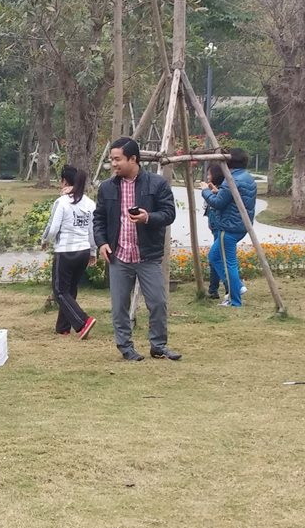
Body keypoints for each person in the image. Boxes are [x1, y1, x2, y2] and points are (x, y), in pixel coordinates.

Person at [92, 137, 180, 361]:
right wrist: (102, 242)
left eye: (118, 159)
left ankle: (158, 346)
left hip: (147, 255)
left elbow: (169, 213)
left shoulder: (157, 184)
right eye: (112, 159)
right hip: (119, 256)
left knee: (158, 302)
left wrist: (147, 217)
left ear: (133, 159)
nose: (114, 164)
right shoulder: (107, 187)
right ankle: (126, 347)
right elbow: (99, 218)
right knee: (119, 306)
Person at [42, 164, 97, 339]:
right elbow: (92, 230)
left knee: (59, 291)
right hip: (83, 251)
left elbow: (53, 228)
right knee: (70, 290)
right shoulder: (90, 203)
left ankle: (83, 321)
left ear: (64, 181)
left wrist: (45, 240)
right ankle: (63, 327)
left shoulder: (62, 202)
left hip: (66, 251)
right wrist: (93, 252)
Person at [201, 148, 258, 308]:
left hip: (229, 226)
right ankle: (236, 288)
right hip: (241, 225)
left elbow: (218, 203)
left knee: (229, 263)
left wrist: (205, 191)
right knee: (214, 256)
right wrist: (217, 192)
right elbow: (232, 199)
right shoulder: (247, 178)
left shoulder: (231, 180)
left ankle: (235, 299)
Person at [202, 163, 224, 302]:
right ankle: (214, 289)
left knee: (216, 258)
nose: (208, 176)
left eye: (209, 173)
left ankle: (230, 287)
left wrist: (206, 191)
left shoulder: (223, 189)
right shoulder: (218, 189)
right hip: (215, 227)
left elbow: (215, 203)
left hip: (219, 227)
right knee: (217, 257)